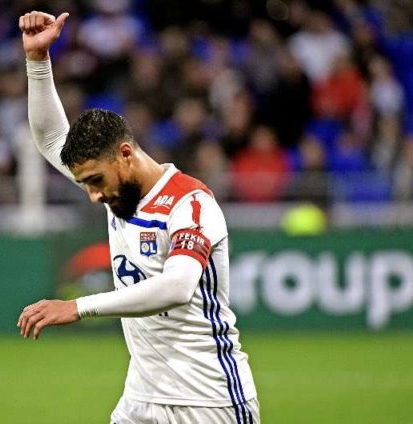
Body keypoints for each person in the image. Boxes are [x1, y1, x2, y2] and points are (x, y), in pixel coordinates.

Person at [17, 11, 259, 424]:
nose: (93, 195)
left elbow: (177, 287)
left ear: (125, 155)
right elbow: (52, 138)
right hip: (140, 399)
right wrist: (38, 62)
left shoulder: (190, 203)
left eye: (95, 181)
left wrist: (77, 307)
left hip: (209, 401)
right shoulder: (115, 190)